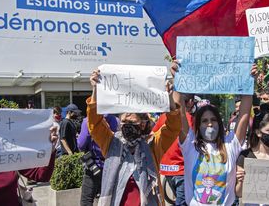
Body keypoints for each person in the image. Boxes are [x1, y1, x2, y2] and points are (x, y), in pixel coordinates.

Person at [87, 69, 183, 206]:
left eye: (131, 123)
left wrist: (169, 98)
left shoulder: (153, 144)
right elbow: (95, 125)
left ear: (143, 124)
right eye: (124, 122)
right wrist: (96, 90)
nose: (127, 126)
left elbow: (174, 127)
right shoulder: (111, 142)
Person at [177, 63, 254, 205]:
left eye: (213, 120)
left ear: (219, 122)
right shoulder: (190, 145)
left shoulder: (231, 144)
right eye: (204, 121)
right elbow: (179, 112)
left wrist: (249, 81)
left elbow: (244, 114)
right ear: (198, 126)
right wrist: (177, 77)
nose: (210, 124)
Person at [152, 94, 196, 206]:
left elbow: (153, 136)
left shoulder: (163, 117)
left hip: (166, 170)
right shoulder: (189, 119)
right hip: (181, 170)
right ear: (190, 102)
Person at [78, 115, 118, 206]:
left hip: (94, 165)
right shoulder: (116, 120)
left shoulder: (88, 120)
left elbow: (81, 144)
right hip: (113, 165)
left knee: (87, 200)